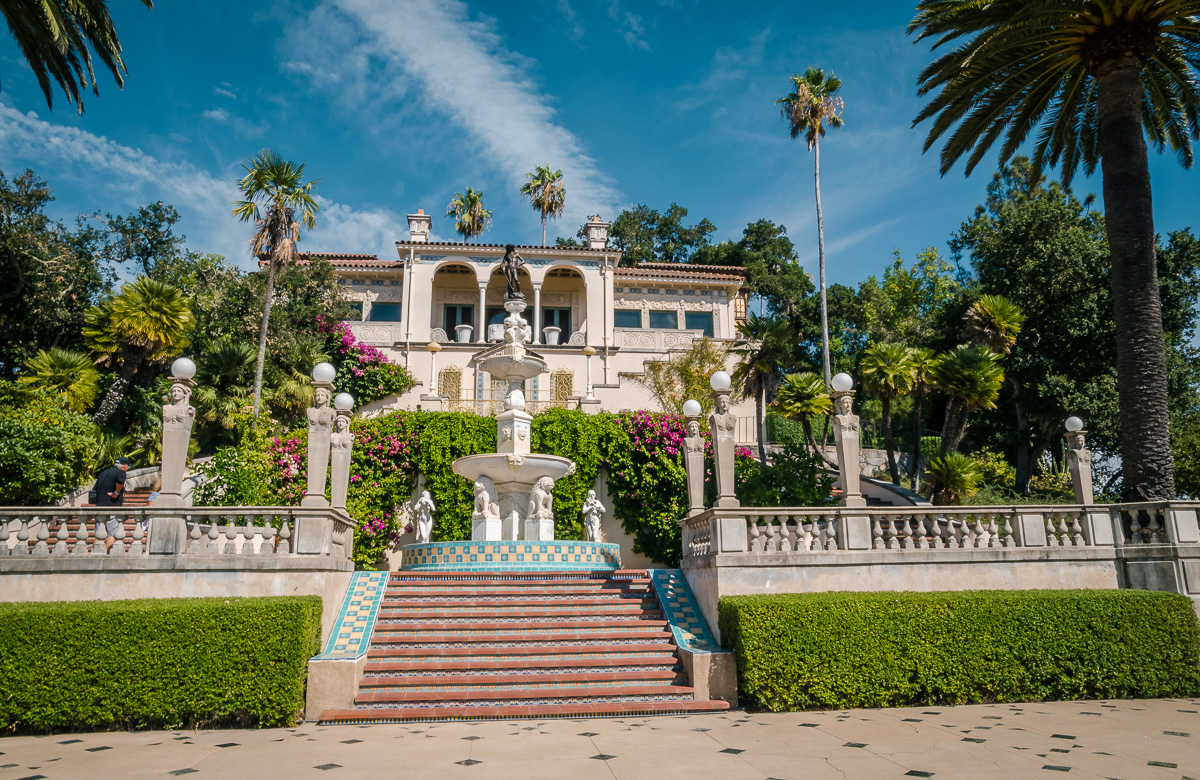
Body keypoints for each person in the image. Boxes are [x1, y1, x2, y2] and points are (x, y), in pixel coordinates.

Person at [93, 457, 131, 551]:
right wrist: (116, 493)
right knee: (112, 534)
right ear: (124, 466)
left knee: (99, 535)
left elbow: (95, 489)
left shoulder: (103, 473)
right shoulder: (121, 472)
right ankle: (105, 556)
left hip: (99, 507)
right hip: (112, 507)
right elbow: (121, 481)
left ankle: (95, 554)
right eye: (128, 467)